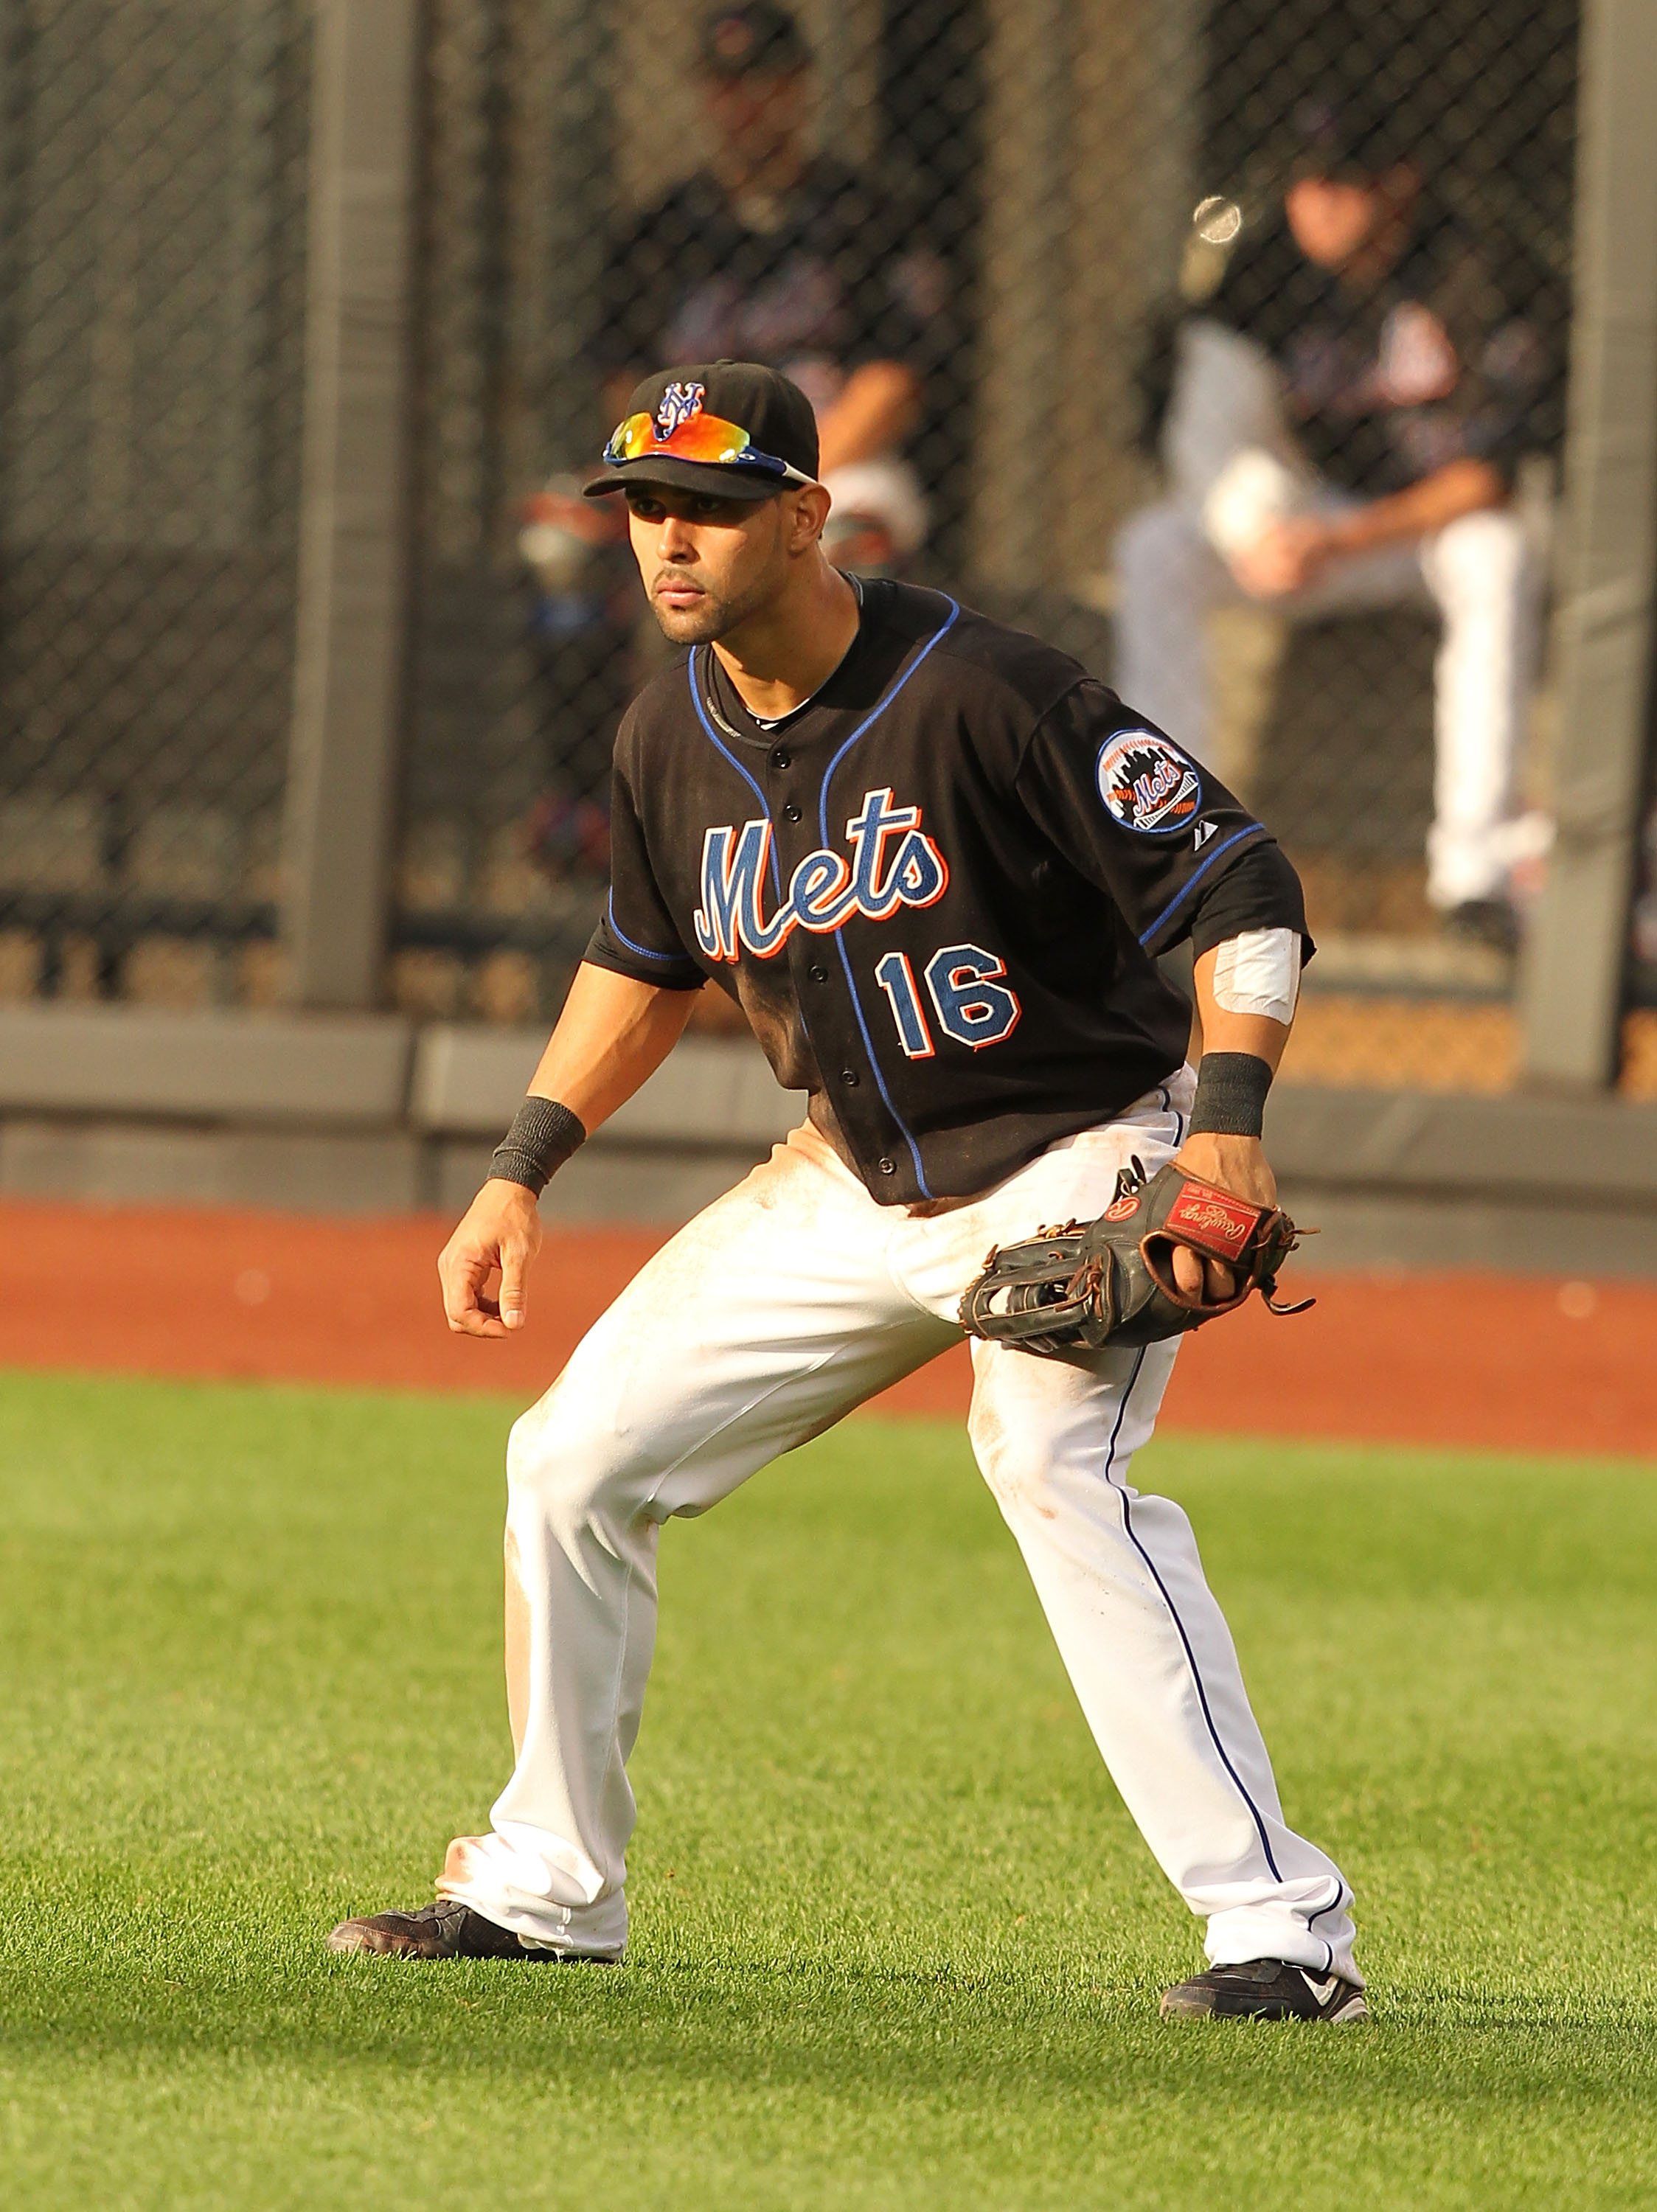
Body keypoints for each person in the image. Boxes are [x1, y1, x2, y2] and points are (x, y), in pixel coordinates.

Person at [330, 361, 1366, 2025]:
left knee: (1049, 1460)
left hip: (1070, 1147)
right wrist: (521, 1167)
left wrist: (1226, 1128)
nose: (667, 541)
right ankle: (545, 1889)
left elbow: (1239, 878)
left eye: (709, 508)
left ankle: (1280, 1937)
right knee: (572, 1461)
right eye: (643, 508)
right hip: (846, 1180)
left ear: (807, 517)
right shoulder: (665, 726)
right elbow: (641, 959)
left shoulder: (989, 694)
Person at [1115, 93, 1563, 947]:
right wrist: (1255, 530)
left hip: (1418, 531)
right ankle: (1163, 851)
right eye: (1307, 184)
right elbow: (1207, 429)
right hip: (1306, 526)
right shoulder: (1262, 268)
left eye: (1345, 186)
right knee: (1156, 547)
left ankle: (1477, 871)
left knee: (1498, 554)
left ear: (1401, 185)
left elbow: (1492, 479)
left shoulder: (1476, 269)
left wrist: (1341, 539)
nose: (1317, 206)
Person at [590, 1, 944, 576]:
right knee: (560, 542)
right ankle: (637, 671)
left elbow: (892, 382)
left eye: (765, 81)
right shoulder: (660, 231)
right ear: (704, 93)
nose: (746, 103)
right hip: (684, 458)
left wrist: (783, 473)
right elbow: (622, 381)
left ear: (799, 87)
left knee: (856, 538)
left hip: (828, 463)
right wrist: (687, 469)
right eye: (728, 84)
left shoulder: (866, 218)